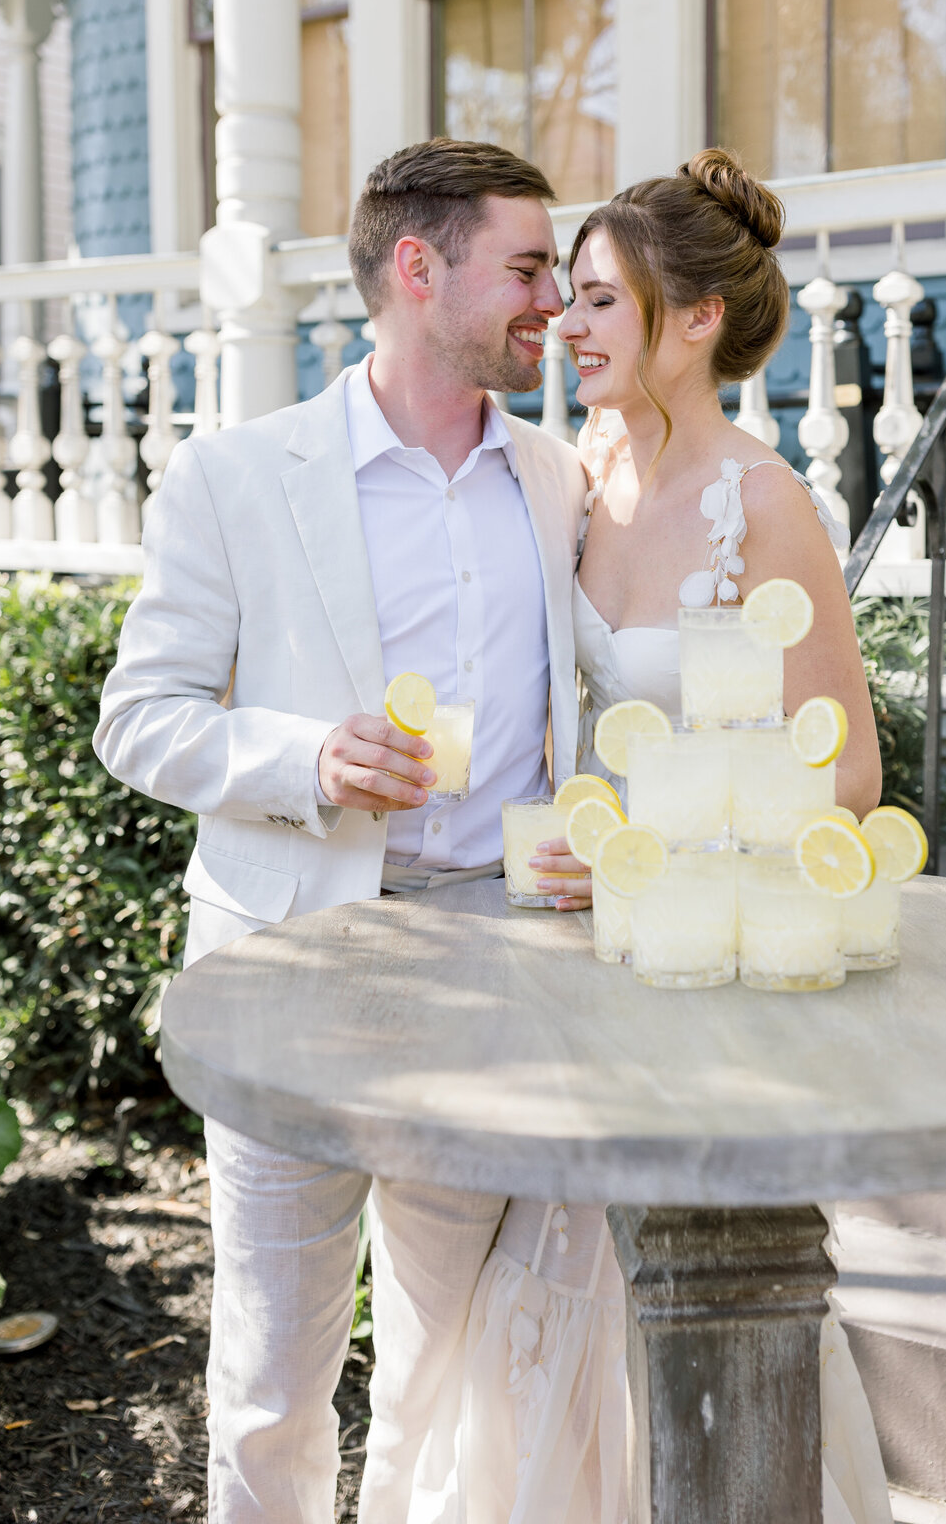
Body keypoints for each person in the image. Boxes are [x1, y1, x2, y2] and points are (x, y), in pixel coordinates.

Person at [93, 138, 587, 1524]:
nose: (553, 297)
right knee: (270, 1374)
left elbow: (586, 713)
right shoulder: (238, 475)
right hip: (293, 967)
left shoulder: (555, 483)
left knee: (450, 1361)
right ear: (420, 269)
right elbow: (140, 719)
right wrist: (308, 756)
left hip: (493, 964)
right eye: (530, 266)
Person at [409, 148, 890, 1524]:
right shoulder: (570, 478)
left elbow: (848, 772)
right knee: (559, 1291)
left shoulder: (768, 505)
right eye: (566, 295)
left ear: (695, 322)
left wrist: (672, 852)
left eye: (602, 301)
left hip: (709, 969)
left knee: (693, 1291)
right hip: (582, 956)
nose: (567, 324)